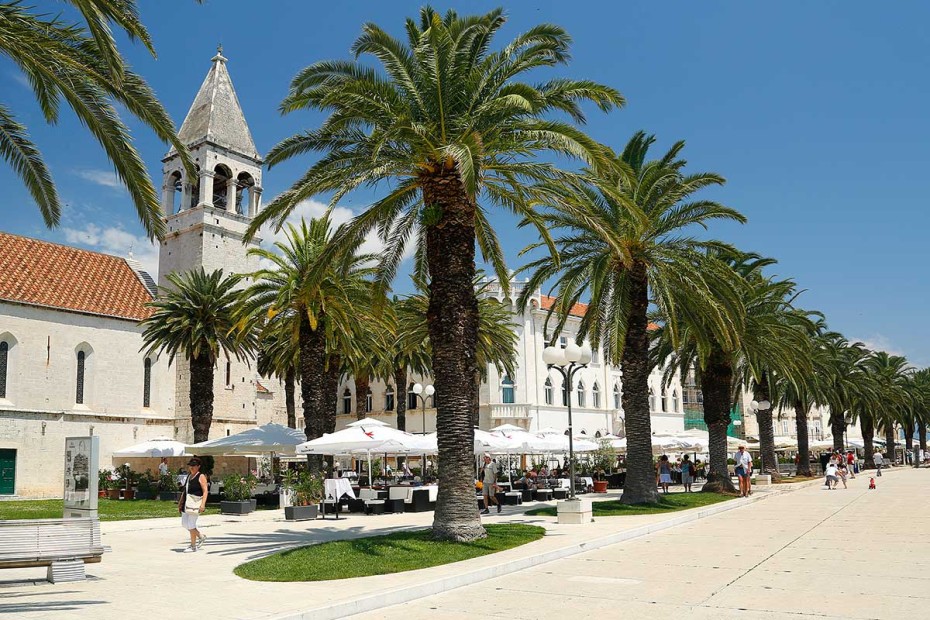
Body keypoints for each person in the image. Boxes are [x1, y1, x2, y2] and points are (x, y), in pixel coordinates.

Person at [178, 457, 208, 552]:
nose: (192, 467)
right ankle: (200, 536)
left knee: (191, 525)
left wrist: (203, 504)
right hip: (186, 503)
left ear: (198, 466)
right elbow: (185, 490)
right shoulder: (189, 476)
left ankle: (193, 546)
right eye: (190, 465)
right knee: (184, 524)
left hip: (195, 504)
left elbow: (205, 491)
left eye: (194, 465)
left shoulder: (201, 476)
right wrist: (180, 502)